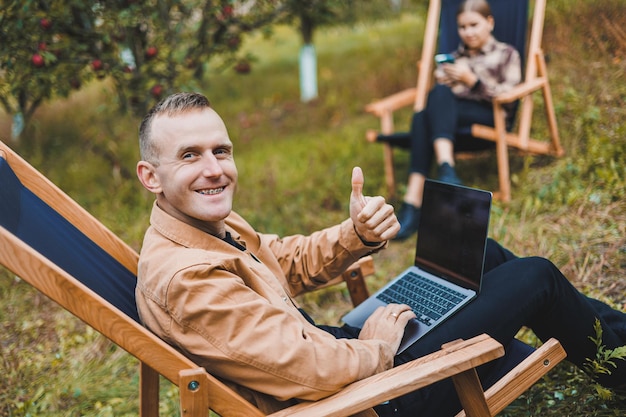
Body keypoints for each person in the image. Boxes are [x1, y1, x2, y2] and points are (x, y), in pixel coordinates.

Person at [135, 91, 625, 416]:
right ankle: (617, 362)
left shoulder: (199, 226)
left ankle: (613, 338)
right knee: (534, 275)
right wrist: (377, 346)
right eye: (189, 155)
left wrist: (355, 235)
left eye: (220, 150)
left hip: (342, 351)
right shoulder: (187, 278)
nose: (214, 169)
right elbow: (307, 370)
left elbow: (279, 262)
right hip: (367, 398)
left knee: (483, 258)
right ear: (150, 176)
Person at [395, 0, 522, 240]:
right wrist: (447, 79)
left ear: (490, 23)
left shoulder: (507, 54)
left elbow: (509, 96)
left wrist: (472, 81)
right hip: (453, 124)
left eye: (474, 25)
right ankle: (439, 176)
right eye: (463, 27)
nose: (468, 32)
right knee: (429, 106)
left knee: (426, 113)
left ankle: (414, 203)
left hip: (489, 116)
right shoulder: (453, 58)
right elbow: (444, 100)